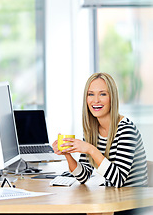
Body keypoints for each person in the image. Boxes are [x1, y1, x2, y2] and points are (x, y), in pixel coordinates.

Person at [52, 72, 148, 215]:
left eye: (102, 94)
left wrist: (91, 149)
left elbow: (118, 180)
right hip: (112, 199)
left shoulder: (126, 129)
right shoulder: (92, 130)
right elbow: (84, 176)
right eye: (91, 94)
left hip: (130, 204)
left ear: (112, 98)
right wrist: (68, 155)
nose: (95, 100)